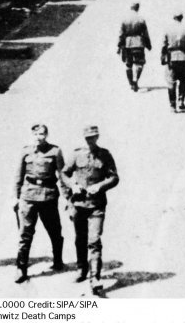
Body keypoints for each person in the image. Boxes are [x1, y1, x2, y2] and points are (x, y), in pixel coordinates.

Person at [63, 125, 119, 294]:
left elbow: (114, 177)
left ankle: (95, 278)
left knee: (94, 240)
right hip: (79, 204)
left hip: (96, 205)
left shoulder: (105, 155)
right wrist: (72, 185)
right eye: (88, 137)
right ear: (84, 138)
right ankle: (82, 269)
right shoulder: (76, 154)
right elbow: (64, 173)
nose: (90, 140)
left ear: (97, 137)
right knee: (80, 238)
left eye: (93, 137)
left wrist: (100, 186)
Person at [13, 123, 66, 283]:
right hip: (28, 196)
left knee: (54, 230)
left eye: (42, 134)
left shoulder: (55, 151)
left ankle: (58, 260)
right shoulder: (25, 151)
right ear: (32, 135)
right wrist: (15, 198)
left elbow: (63, 176)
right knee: (25, 234)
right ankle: (21, 268)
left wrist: (68, 198)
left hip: (48, 196)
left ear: (47, 135)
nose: (39, 137)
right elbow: (18, 176)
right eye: (36, 134)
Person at [161, 11, 185, 112]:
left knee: (171, 82)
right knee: (183, 80)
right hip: (184, 58)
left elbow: (164, 46)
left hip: (172, 58)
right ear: (181, 17)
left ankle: (173, 105)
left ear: (174, 18)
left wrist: (162, 58)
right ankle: (181, 101)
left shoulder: (168, 30)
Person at [118, 2, 152, 92]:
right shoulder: (141, 19)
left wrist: (119, 45)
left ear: (130, 8)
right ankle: (136, 81)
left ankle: (131, 83)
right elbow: (145, 34)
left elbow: (121, 34)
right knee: (139, 64)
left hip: (128, 44)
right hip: (139, 43)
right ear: (138, 8)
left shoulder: (125, 19)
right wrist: (148, 45)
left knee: (128, 64)